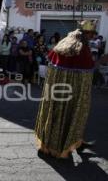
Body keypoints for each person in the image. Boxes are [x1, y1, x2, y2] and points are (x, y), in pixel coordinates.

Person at [35, 20, 96, 159]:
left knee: (55, 112)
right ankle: (66, 145)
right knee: (74, 113)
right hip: (73, 91)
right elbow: (87, 70)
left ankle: (76, 142)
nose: (92, 37)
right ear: (86, 33)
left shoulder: (63, 43)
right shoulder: (82, 48)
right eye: (91, 34)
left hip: (55, 90)